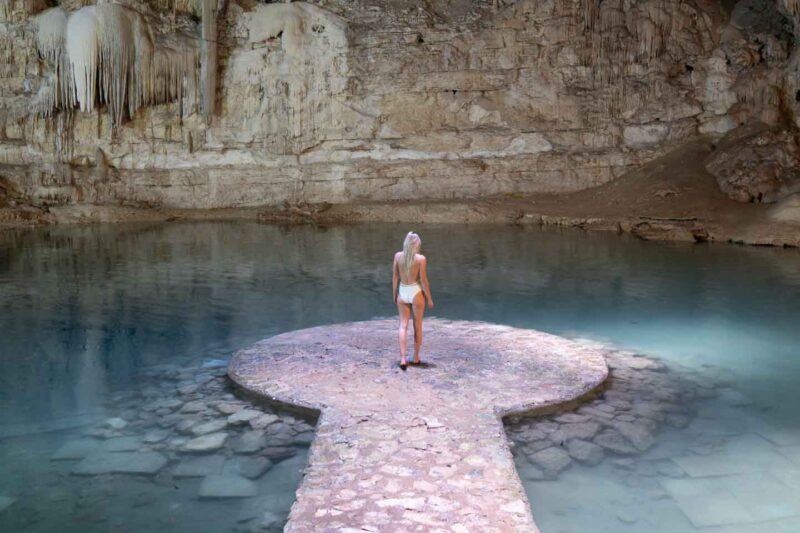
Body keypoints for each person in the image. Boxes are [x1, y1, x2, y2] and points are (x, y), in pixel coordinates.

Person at [392, 231, 434, 370]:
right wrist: (429, 298)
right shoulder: (421, 259)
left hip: (403, 291)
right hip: (415, 291)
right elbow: (423, 280)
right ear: (416, 245)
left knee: (403, 325)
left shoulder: (398, 256)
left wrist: (394, 294)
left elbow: (395, 277)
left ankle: (403, 359)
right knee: (418, 325)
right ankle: (416, 357)